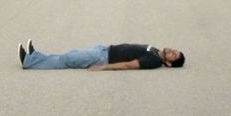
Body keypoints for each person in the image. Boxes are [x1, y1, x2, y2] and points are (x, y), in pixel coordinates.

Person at [18, 39, 185, 70]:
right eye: (175, 50)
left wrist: (103, 67)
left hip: (102, 58)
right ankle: (36, 56)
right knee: (70, 55)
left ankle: (29, 61)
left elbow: (129, 65)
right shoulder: (156, 50)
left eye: (174, 55)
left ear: (169, 64)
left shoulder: (154, 60)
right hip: (104, 49)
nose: (172, 50)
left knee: (67, 60)